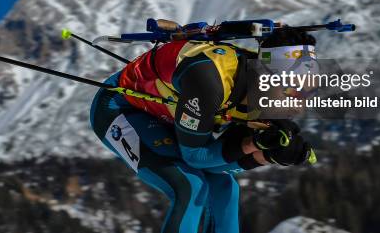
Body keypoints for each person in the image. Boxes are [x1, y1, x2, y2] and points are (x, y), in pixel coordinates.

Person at [89, 26, 316, 233]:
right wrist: (254, 146)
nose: (299, 103)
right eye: (293, 89)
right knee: (190, 185)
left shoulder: (266, 96)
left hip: (167, 114)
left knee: (224, 187)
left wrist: (266, 155)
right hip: (119, 109)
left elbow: (222, 160)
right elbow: (197, 157)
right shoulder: (209, 82)